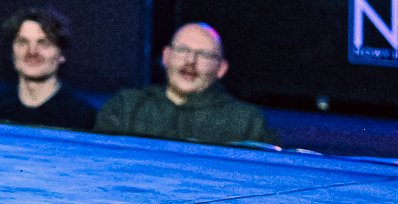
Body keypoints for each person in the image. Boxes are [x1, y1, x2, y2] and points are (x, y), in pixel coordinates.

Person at [95, 23, 276, 146]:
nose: (190, 61)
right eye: (182, 50)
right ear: (166, 56)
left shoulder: (247, 122)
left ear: (221, 68)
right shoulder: (125, 107)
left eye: (203, 54)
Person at [0, 8, 98, 132]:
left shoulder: (83, 119)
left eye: (44, 43)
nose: (32, 52)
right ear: (12, 52)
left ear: (62, 55)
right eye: (23, 42)